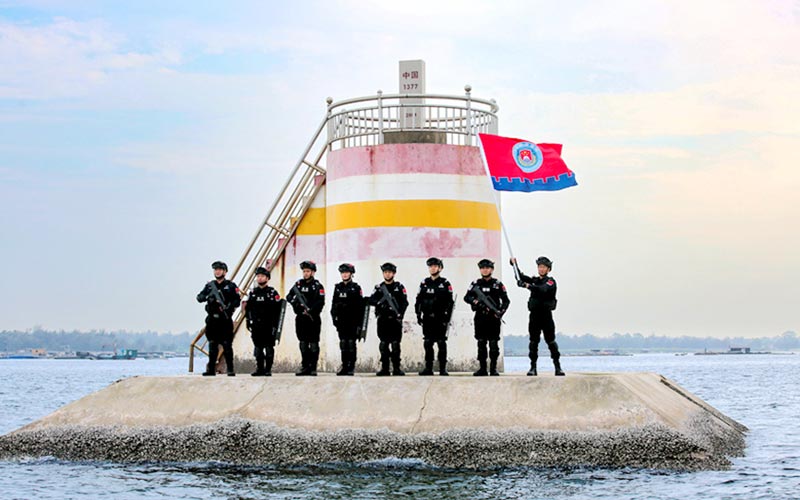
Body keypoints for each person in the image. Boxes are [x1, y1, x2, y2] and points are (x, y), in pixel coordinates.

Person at [511, 256, 564, 376]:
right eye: (539, 267)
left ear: (548, 269)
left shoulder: (550, 281)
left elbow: (543, 290)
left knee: (551, 341)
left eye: (543, 267)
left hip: (546, 315)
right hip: (534, 316)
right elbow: (520, 277)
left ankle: (557, 366)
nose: (541, 269)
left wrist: (527, 286)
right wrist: (514, 265)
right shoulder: (534, 280)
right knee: (533, 342)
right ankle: (533, 367)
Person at [464, 259, 510, 376]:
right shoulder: (476, 284)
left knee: (494, 344)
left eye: (487, 268)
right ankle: (483, 368)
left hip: (493, 318)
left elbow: (506, 301)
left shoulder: (498, 284)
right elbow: (467, 297)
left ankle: (493, 368)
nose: (485, 270)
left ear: (492, 269)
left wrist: (501, 312)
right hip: (480, 317)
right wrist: (476, 302)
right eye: (482, 268)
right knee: (481, 343)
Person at [196, 261, 241, 376]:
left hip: (224, 320)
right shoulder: (210, 286)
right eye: (216, 269)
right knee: (212, 345)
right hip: (212, 320)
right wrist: (208, 297)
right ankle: (211, 369)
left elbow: (237, 301)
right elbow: (199, 297)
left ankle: (230, 369)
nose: (217, 271)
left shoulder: (230, 286)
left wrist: (229, 306)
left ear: (225, 272)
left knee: (227, 345)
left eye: (220, 269)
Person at [415, 257, 455, 376]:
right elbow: (418, 300)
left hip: (440, 318)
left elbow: (450, 302)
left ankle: (443, 368)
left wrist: (447, 318)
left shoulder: (445, 283)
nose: (432, 268)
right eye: (430, 266)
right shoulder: (424, 283)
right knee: (428, 343)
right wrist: (418, 314)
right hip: (427, 318)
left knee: (441, 343)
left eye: (435, 266)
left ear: (440, 268)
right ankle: (429, 368)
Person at [369, 262, 409, 376]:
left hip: (395, 320)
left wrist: (400, 314)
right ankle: (385, 368)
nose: (387, 274)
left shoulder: (399, 287)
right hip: (383, 320)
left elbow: (404, 303)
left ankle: (396, 368)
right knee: (383, 344)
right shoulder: (379, 288)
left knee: (396, 344)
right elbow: (371, 300)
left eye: (389, 272)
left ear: (394, 273)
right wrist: (379, 303)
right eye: (385, 272)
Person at [286, 261, 325, 376]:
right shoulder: (298, 285)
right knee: (303, 343)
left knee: (313, 343)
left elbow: (320, 302)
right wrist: (296, 305)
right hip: (301, 318)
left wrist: (312, 310)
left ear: (313, 272)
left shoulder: (318, 286)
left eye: (308, 271)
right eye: (304, 271)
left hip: (313, 318)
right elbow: (289, 296)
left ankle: (313, 367)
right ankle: (305, 366)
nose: (306, 273)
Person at [242, 266, 282, 376]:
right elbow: (248, 309)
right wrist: (248, 321)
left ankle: (268, 369)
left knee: (269, 348)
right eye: (258, 276)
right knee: (258, 349)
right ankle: (260, 369)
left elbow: (278, 310)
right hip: (256, 326)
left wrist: (276, 326)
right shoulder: (253, 293)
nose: (260, 278)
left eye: (262, 276)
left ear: (267, 278)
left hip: (269, 325)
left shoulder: (272, 293)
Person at [331, 263, 364, 376]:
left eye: (346, 272)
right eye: (342, 273)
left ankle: (351, 366)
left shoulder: (356, 288)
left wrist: (360, 324)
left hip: (353, 321)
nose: (344, 275)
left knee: (351, 343)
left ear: (351, 274)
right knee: (343, 343)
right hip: (341, 321)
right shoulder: (338, 287)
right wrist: (334, 318)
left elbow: (360, 307)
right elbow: (333, 304)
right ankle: (344, 366)